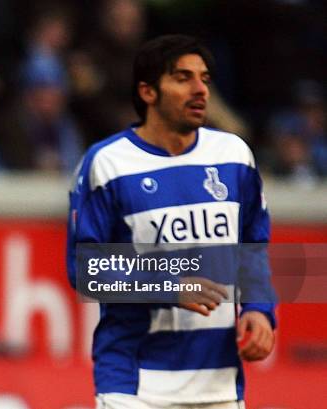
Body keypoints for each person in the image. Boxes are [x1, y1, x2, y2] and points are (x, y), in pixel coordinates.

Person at [67, 35, 276, 409]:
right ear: (148, 92)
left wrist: (260, 309)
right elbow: (85, 270)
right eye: (182, 78)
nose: (200, 90)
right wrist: (169, 285)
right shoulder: (109, 163)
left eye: (205, 79)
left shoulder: (234, 155)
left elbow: (252, 245)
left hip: (220, 383)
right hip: (134, 383)